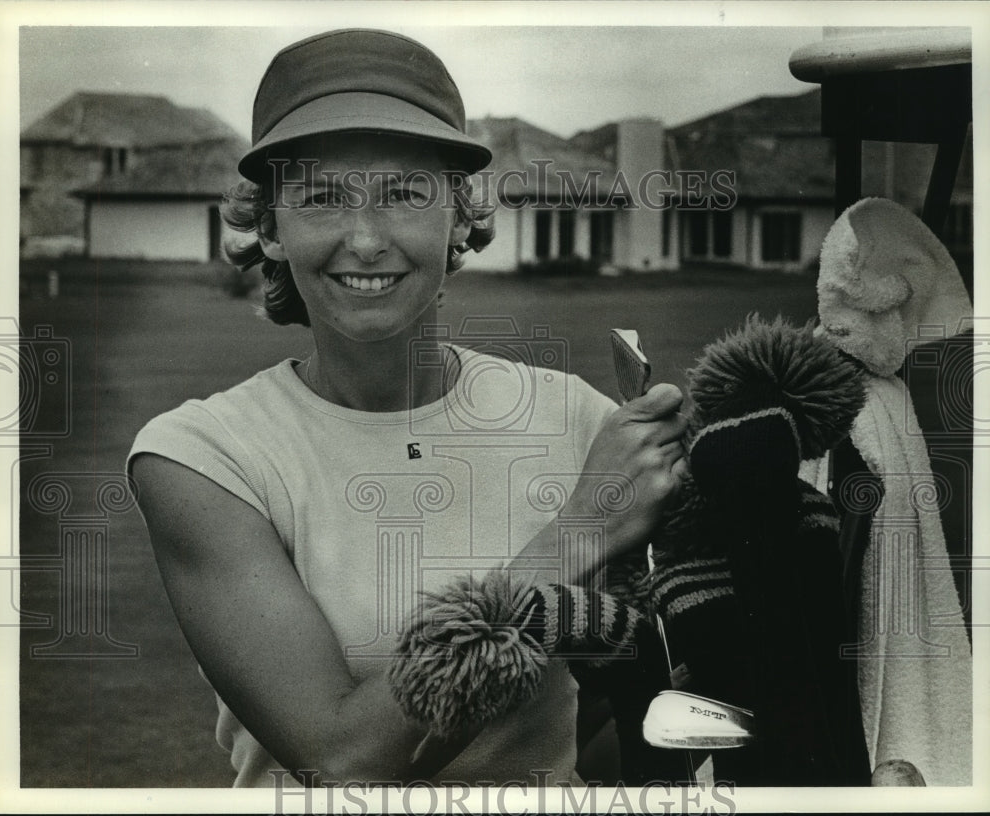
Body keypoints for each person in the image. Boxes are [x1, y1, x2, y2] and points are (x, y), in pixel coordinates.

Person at [128, 28, 687, 788]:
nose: (364, 239)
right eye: (322, 198)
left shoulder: (577, 420)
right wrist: (578, 531)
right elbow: (341, 763)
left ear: (459, 219)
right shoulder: (203, 456)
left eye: (403, 194)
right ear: (269, 227)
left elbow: (623, 709)